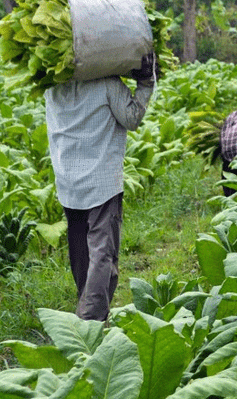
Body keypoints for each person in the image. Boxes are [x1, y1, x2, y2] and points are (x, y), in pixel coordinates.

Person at [44, 53, 157, 321]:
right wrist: (146, 84)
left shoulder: (52, 88)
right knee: (102, 253)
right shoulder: (108, 84)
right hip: (101, 182)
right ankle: (90, 321)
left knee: (80, 252)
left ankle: (88, 304)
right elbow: (131, 118)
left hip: (68, 181)